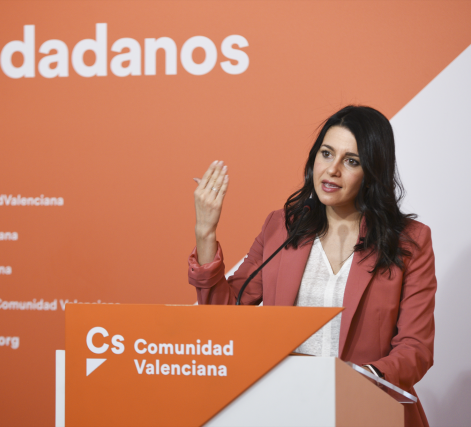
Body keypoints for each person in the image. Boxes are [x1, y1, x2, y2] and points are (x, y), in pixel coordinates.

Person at [187, 105, 436, 427]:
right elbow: (224, 313)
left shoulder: (409, 241)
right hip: (289, 410)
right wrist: (205, 231)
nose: (332, 170)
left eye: (351, 161)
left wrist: (366, 377)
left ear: (373, 171)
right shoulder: (281, 227)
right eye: (326, 153)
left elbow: (416, 348)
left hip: (368, 411)